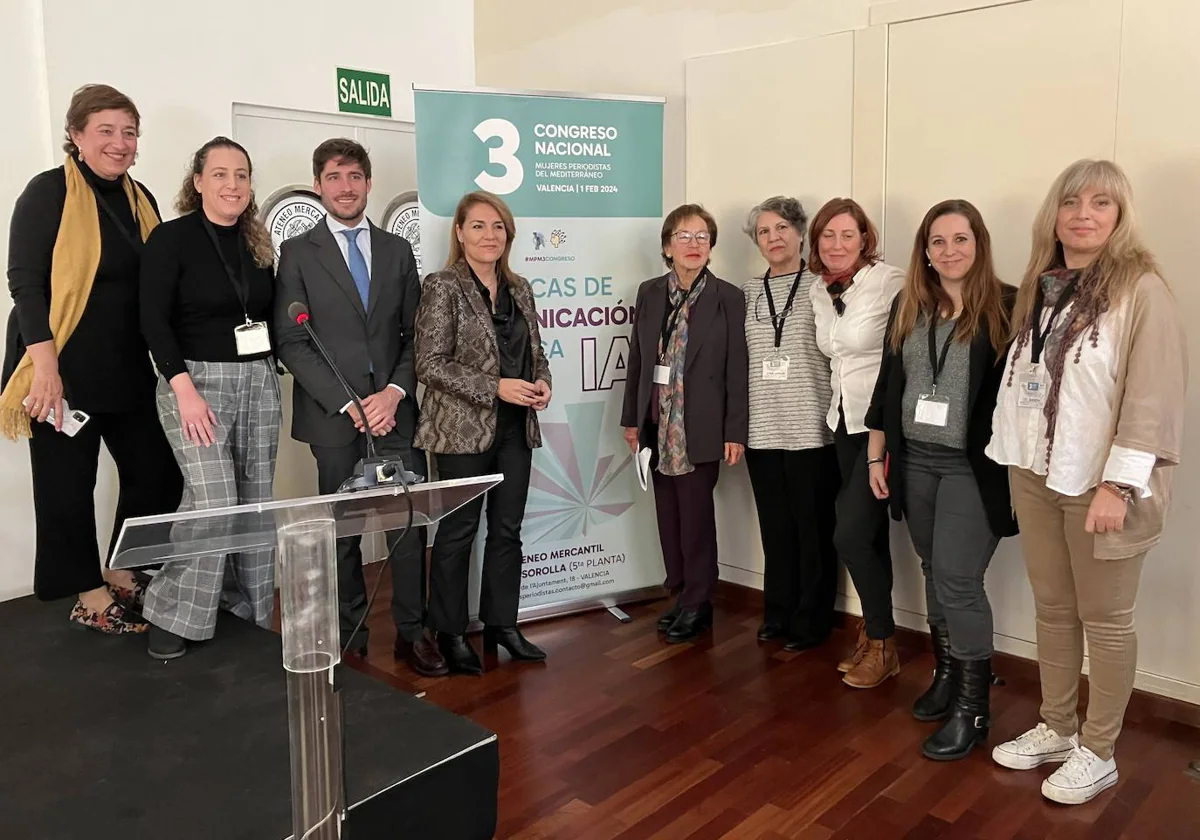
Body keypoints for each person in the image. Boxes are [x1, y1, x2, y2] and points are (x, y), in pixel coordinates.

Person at [987, 160, 1186, 805]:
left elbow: (1151, 399)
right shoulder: (1043, 284)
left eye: (1102, 203)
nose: (1084, 214)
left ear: (1120, 216)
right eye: (1072, 201)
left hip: (1102, 485)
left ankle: (1097, 750)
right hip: (1038, 471)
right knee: (1053, 608)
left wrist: (1118, 486)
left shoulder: (1141, 289)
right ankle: (1056, 725)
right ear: (1055, 213)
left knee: (1106, 620)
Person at [1, 83, 181, 633]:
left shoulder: (140, 198)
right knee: (66, 487)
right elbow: (26, 284)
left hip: (126, 364)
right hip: (62, 365)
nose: (120, 143)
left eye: (129, 132)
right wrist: (47, 371)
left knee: (158, 472)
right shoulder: (48, 192)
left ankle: (123, 571)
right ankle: (88, 593)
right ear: (76, 135)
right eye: (106, 130)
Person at [274, 139, 437, 675]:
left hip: (395, 412)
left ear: (369, 183)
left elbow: (417, 335)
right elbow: (292, 341)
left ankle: (412, 633)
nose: (345, 186)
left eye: (354, 176)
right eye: (334, 176)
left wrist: (393, 394)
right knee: (341, 530)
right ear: (318, 185)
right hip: (335, 417)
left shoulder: (395, 250)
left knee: (408, 527)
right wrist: (349, 404)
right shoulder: (298, 253)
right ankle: (350, 636)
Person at [863, 199, 1017, 760]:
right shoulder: (912, 303)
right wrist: (877, 457)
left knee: (957, 579)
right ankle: (949, 675)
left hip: (972, 468)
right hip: (914, 460)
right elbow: (888, 385)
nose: (949, 251)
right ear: (924, 252)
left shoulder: (1007, 307)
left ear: (979, 244)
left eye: (960, 239)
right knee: (932, 568)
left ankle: (974, 709)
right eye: (937, 242)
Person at [139, 137, 280, 659]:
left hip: (258, 380)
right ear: (197, 182)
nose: (232, 184)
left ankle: (246, 609)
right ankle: (172, 608)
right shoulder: (170, 240)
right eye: (219, 174)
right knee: (215, 500)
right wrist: (184, 391)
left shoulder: (258, 244)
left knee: (255, 501)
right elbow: (152, 319)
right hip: (193, 383)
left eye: (241, 174)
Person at [414, 191, 552, 675]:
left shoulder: (521, 289)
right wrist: (496, 387)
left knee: (508, 532)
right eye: (478, 226)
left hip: (516, 429)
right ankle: (449, 632)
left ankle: (503, 624)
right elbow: (429, 365)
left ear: (508, 234)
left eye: (497, 227)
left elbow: (537, 353)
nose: (489, 235)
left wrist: (542, 385)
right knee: (458, 533)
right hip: (460, 434)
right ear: (459, 233)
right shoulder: (442, 286)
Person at [621, 204, 749, 644]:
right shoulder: (650, 292)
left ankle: (699, 601)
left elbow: (737, 368)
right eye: (683, 236)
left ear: (711, 245)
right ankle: (679, 592)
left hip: (702, 425)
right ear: (667, 246)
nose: (692, 245)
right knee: (668, 515)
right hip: (657, 424)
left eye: (701, 237)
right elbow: (638, 360)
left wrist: (736, 429)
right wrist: (632, 421)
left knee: (695, 518)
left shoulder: (728, 297)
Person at [808, 197, 905, 688]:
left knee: (848, 533)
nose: (837, 245)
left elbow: (902, 361)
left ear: (865, 239)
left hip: (881, 428)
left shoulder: (892, 283)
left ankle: (883, 642)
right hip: (842, 424)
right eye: (828, 236)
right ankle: (875, 635)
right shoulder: (819, 290)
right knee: (868, 536)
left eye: (848, 235)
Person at [740, 196, 839, 650]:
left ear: (800, 233)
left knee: (813, 529)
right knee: (775, 527)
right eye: (763, 231)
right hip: (761, 429)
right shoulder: (746, 293)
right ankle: (777, 610)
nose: (773, 238)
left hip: (811, 427)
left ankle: (812, 619)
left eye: (781, 228)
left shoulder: (823, 286)